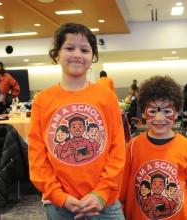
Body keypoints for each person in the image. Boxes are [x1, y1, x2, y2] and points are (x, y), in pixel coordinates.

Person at [28, 23, 126, 220]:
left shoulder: (106, 97)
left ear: (92, 58)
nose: (77, 54)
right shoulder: (42, 100)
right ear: (56, 54)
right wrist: (58, 195)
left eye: (85, 50)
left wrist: (101, 192)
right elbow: (37, 155)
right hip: (60, 203)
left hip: (104, 201)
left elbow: (117, 149)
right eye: (69, 48)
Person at [120, 76, 187, 220]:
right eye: (152, 111)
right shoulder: (133, 147)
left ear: (177, 113)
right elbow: (121, 190)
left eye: (167, 112)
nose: (159, 118)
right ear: (144, 112)